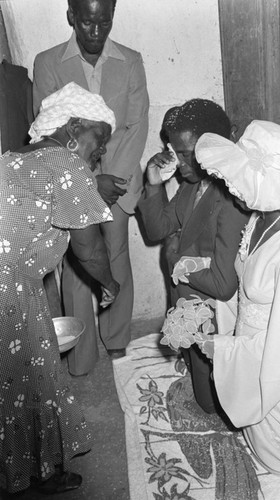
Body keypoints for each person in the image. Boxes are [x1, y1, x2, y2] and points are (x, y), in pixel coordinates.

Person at [194, 120, 280, 482]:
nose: (230, 184)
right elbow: (245, 291)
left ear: (266, 183)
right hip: (252, 349)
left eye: (240, 177)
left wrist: (228, 352)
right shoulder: (258, 219)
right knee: (262, 440)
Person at [0, 82, 120, 495]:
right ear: (72, 130)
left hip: (9, 281)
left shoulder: (13, 158)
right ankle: (41, 473)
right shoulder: (66, 164)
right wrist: (109, 282)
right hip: (10, 290)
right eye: (99, 138)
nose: (101, 150)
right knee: (35, 377)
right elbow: (88, 247)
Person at [33, 0, 149, 375]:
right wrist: (87, 182)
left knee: (115, 257)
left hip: (117, 180)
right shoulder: (48, 62)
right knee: (79, 263)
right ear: (72, 17)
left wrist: (111, 182)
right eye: (87, 23)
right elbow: (48, 132)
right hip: (70, 180)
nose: (96, 32)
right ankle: (80, 354)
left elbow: (137, 125)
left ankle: (117, 340)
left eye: (105, 22)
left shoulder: (131, 61)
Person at [138, 99, 249, 414]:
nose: (180, 165)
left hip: (210, 313)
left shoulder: (229, 200)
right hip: (185, 301)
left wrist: (175, 261)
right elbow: (159, 228)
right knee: (193, 368)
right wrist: (153, 185)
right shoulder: (193, 185)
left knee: (208, 401)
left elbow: (225, 284)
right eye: (174, 153)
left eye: (187, 155)